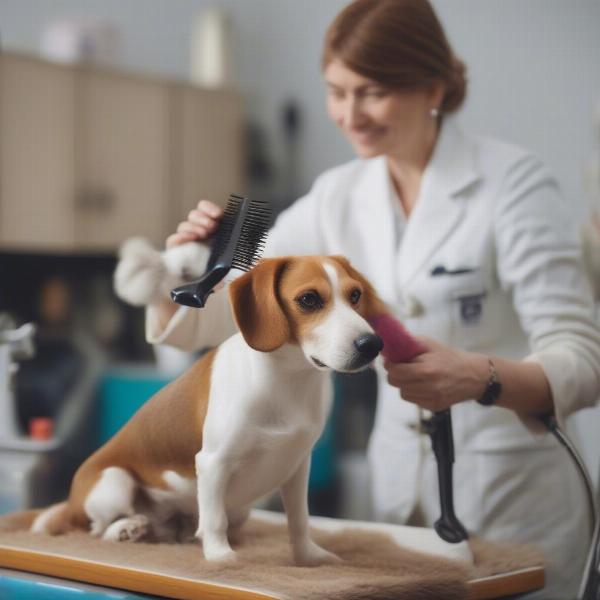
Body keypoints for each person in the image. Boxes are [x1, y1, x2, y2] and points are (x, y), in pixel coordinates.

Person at [146, 1, 600, 597]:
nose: (349, 115)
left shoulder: (514, 185)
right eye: (336, 92)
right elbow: (237, 309)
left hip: (512, 502)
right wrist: (190, 266)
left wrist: (478, 377)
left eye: (373, 92)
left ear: (433, 85)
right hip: (396, 503)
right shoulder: (336, 194)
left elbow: (583, 361)